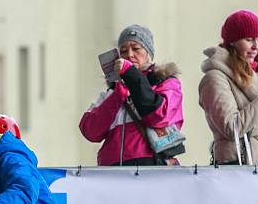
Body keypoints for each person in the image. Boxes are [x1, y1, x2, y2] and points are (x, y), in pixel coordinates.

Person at [79, 24, 184, 166]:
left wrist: (130, 74)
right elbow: (89, 131)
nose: (129, 54)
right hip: (112, 173)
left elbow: (159, 116)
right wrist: (117, 96)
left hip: (151, 168)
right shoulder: (112, 92)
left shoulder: (166, 83)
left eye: (136, 49)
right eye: (123, 51)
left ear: (148, 54)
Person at [199, 10, 258, 165]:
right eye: (249, 39)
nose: (255, 46)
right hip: (242, 166)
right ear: (232, 41)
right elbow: (231, 128)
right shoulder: (214, 78)